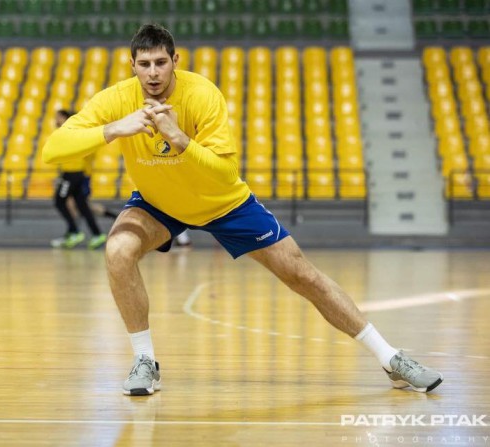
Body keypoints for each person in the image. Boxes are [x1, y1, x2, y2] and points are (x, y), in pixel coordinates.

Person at [42, 24, 443, 395]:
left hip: (224, 203)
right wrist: (115, 128)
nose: (153, 73)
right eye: (144, 64)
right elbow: (53, 148)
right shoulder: (117, 99)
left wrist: (181, 139)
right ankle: (145, 360)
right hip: (158, 204)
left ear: (175, 61)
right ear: (132, 66)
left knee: (303, 275)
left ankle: (391, 358)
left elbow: (223, 173)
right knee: (117, 251)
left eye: (161, 62)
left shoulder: (202, 95)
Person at [49, 109, 107, 250]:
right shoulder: (71, 132)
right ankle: (97, 234)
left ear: (65, 118)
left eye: (58, 117)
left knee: (59, 201)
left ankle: (74, 231)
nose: (56, 120)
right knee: (82, 205)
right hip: (76, 173)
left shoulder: (70, 131)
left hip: (72, 174)